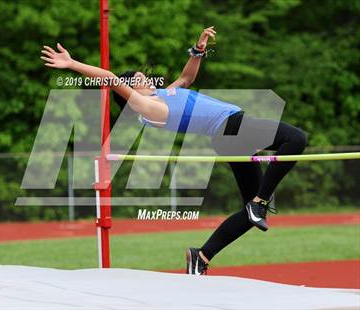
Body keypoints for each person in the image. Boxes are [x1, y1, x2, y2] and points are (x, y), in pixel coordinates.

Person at [40, 26, 307, 276]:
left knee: (250, 210)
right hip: (231, 127)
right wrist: (72, 64)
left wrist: (198, 49)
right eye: (140, 80)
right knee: (296, 139)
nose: (147, 79)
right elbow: (110, 78)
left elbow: (187, 78)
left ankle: (201, 256)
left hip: (227, 135)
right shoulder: (148, 109)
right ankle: (259, 204)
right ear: (130, 93)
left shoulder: (163, 95)